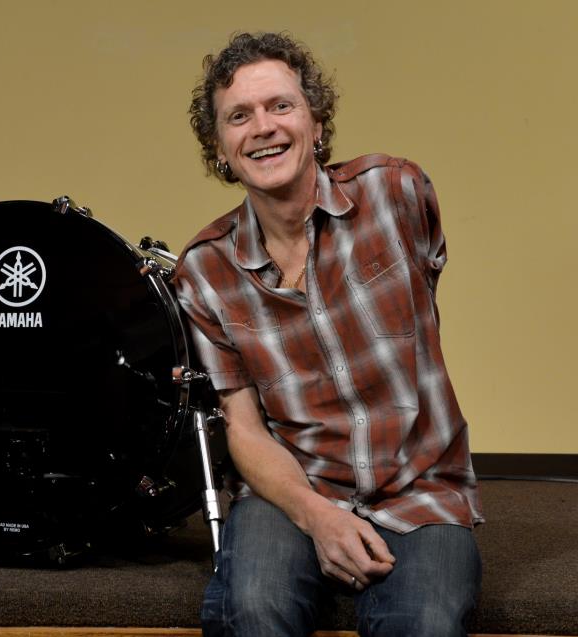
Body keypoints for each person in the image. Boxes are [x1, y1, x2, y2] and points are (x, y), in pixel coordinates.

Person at [172, 32, 484, 637]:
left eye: (281, 106)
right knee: (253, 611)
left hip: (421, 488)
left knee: (423, 624)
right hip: (290, 490)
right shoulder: (205, 271)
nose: (263, 127)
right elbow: (244, 428)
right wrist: (318, 516)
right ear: (220, 149)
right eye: (239, 116)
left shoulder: (396, 192)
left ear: (316, 123)